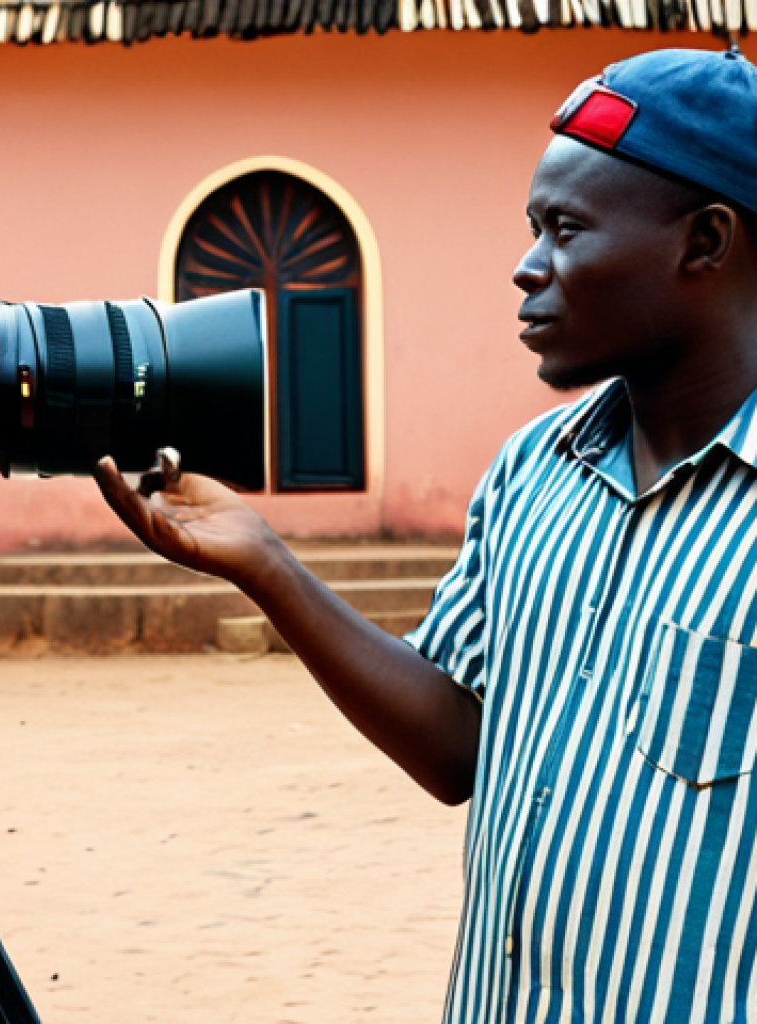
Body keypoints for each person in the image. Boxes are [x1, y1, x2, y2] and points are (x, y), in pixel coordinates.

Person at [95, 47, 757, 1023]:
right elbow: (458, 746)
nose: (527, 266)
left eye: (566, 230)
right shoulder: (532, 474)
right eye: (533, 227)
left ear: (702, 242)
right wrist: (265, 564)